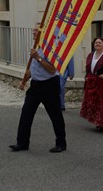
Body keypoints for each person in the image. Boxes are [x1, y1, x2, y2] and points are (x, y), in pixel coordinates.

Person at [9, 24, 67, 153]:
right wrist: (24, 81)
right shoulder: (35, 46)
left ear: (44, 33)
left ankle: (61, 143)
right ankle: (22, 143)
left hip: (49, 84)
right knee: (26, 113)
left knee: (55, 114)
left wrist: (38, 57)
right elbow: (32, 67)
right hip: (35, 85)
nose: (34, 32)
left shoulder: (52, 48)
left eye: (37, 30)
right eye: (33, 30)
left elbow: (52, 70)